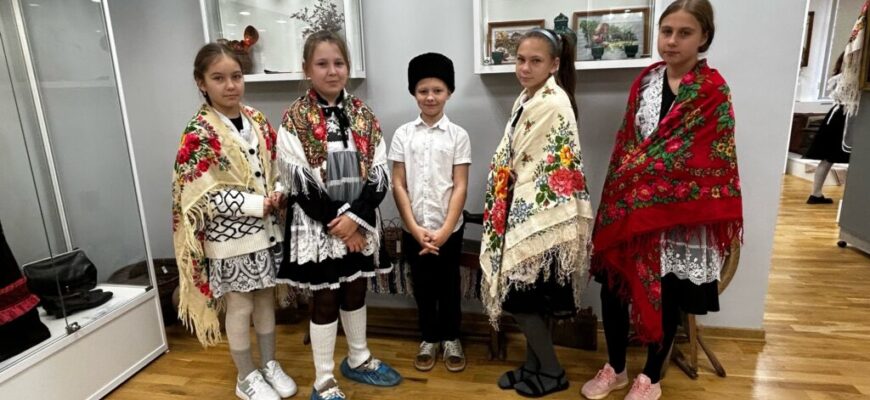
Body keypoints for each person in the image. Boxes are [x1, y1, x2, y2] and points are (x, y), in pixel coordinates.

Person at [581, 1, 743, 399]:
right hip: (629, 208)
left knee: (668, 293)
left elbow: (706, 155)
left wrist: (647, 177)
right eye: (666, 31)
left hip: (677, 217)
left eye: (684, 33)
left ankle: (650, 377)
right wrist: (631, 184)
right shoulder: (646, 82)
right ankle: (616, 367)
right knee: (614, 287)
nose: (672, 41)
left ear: (704, 37)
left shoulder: (712, 91)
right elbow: (628, 145)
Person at [274, 31, 401, 400]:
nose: (332, 71)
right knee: (326, 297)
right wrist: (343, 225)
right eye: (322, 64)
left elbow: (379, 173)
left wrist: (357, 219)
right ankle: (324, 378)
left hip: (359, 220)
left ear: (348, 66)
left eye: (339, 63)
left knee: (356, 288)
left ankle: (358, 358)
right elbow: (299, 181)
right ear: (306, 69)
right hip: (319, 226)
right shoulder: (294, 118)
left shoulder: (364, 115)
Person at [171, 42, 296, 400]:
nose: (230, 85)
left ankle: (268, 363)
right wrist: (257, 203)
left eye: (236, 76)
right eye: (219, 78)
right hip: (229, 239)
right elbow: (200, 194)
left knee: (265, 300)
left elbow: (277, 166)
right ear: (201, 82)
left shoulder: (256, 119)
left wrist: (278, 192)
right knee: (240, 305)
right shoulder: (198, 133)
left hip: (266, 233)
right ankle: (246, 376)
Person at [479, 28, 594, 397]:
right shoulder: (528, 97)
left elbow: (548, 167)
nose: (524, 68)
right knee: (532, 299)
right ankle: (533, 367)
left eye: (535, 61)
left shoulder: (552, 102)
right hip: (527, 210)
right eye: (520, 59)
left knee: (522, 302)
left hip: (542, 217)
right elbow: (519, 154)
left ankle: (553, 372)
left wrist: (512, 178)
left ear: (554, 64)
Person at [390, 52, 471, 373]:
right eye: (423, 90)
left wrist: (446, 230)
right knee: (422, 285)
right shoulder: (403, 134)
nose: (430, 97)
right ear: (413, 92)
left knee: (449, 285)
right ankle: (429, 337)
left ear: (449, 92)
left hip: (449, 228)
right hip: (415, 228)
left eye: (437, 90)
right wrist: (413, 227)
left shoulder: (458, 135)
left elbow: (460, 185)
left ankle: (451, 337)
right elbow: (398, 184)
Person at [804, 52, 851, 204]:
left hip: (838, 117)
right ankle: (816, 194)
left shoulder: (840, 77)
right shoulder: (847, 78)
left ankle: (816, 193)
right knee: (829, 158)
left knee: (827, 159)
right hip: (843, 118)